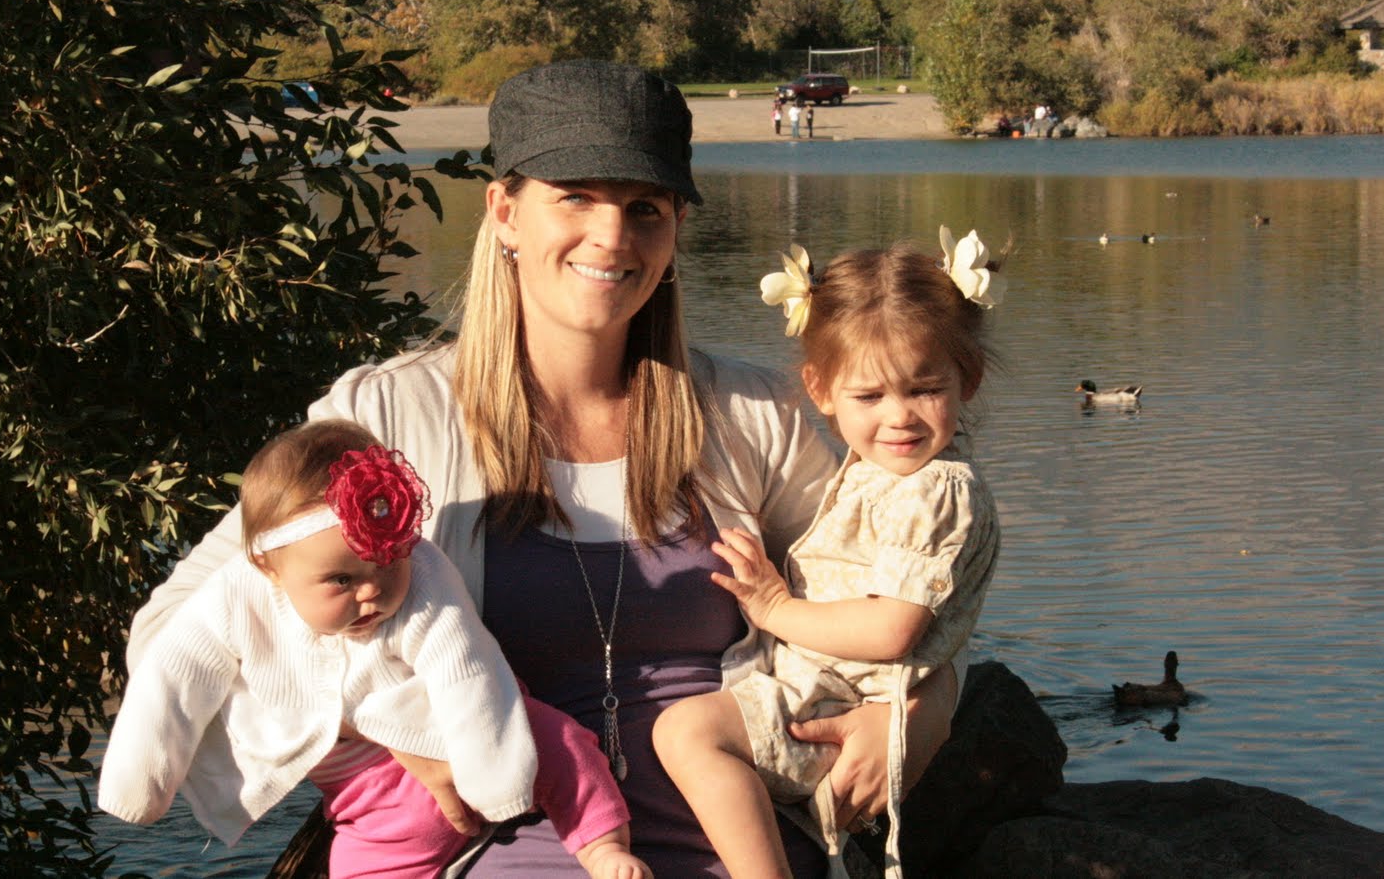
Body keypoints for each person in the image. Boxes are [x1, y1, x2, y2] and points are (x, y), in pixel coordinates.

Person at [127, 60, 952, 876]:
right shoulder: (387, 419)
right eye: (576, 197)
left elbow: (913, 593)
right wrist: (387, 726)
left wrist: (917, 714)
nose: (613, 236)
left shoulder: (753, 414)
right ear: (505, 212)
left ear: (674, 229)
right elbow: (175, 635)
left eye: (644, 207)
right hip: (511, 852)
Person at [100, 420, 650, 879]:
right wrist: (140, 780)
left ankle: (601, 845)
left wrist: (496, 782)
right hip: (370, 798)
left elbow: (466, 665)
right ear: (269, 567)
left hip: (473, 734)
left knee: (560, 742)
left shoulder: (426, 573)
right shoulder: (235, 596)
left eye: (388, 565)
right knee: (363, 864)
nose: (372, 592)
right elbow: (174, 675)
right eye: (341, 580)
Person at [654, 229, 1005, 878]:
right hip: (832, 693)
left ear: (969, 379)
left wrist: (774, 607)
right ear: (820, 390)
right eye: (869, 396)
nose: (899, 417)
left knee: (685, 733)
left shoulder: (933, 490)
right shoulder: (891, 474)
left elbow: (893, 628)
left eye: (924, 389)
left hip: (839, 706)